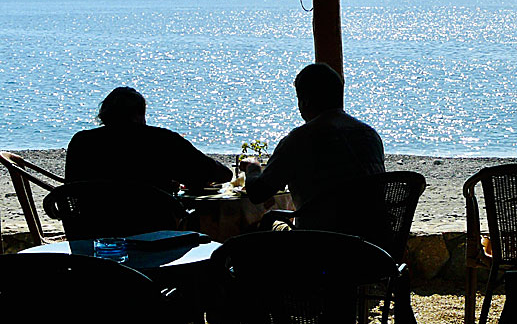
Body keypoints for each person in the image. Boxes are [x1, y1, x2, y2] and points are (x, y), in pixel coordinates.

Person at [242, 63, 385, 228]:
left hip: (318, 244)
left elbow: (258, 193)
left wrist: (253, 167)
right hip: (370, 243)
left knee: (260, 227)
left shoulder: (299, 139)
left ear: (305, 102)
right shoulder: (370, 135)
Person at [65, 86, 232, 193]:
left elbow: (72, 188)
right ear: (139, 114)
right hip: (153, 231)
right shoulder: (162, 140)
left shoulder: (82, 142)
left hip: (91, 229)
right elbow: (217, 173)